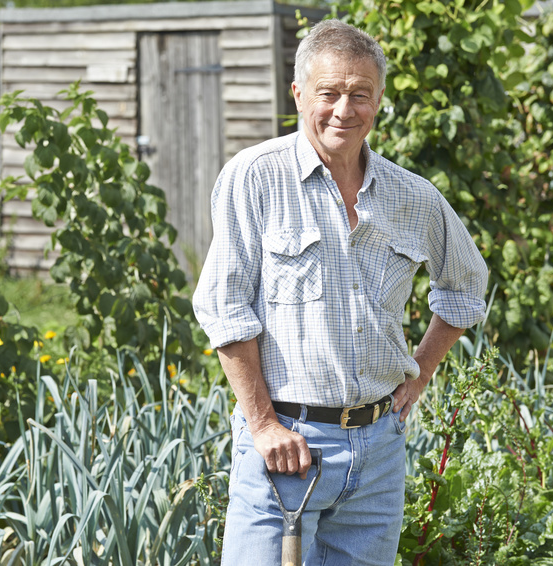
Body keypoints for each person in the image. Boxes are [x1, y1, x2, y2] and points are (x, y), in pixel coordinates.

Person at [192, 18, 489, 566]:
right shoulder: (255, 178)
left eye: (360, 95)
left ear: (378, 100)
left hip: (378, 454)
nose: (343, 110)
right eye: (329, 93)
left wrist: (419, 372)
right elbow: (223, 308)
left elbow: (466, 288)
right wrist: (261, 425)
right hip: (287, 448)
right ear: (299, 93)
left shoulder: (413, 197)